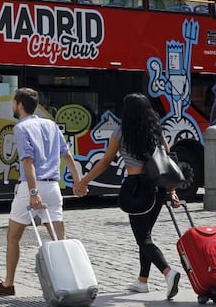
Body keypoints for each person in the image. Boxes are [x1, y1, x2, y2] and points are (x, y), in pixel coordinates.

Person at [74, 93, 181, 299]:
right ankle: (142, 281)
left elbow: (105, 161)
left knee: (143, 238)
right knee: (146, 233)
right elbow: (167, 159)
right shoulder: (155, 130)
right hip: (157, 187)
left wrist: (83, 182)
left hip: (136, 188)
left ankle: (168, 272)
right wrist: (172, 191)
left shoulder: (122, 132)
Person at [0, 87, 85, 296]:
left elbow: (28, 163)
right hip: (53, 186)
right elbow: (67, 155)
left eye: (14, 103)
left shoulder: (21, 128)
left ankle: (9, 284)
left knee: (13, 237)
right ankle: (70, 284)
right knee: (60, 242)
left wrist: (33, 192)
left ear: (20, 105)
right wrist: (78, 182)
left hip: (32, 187)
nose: (13, 106)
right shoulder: (50, 124)